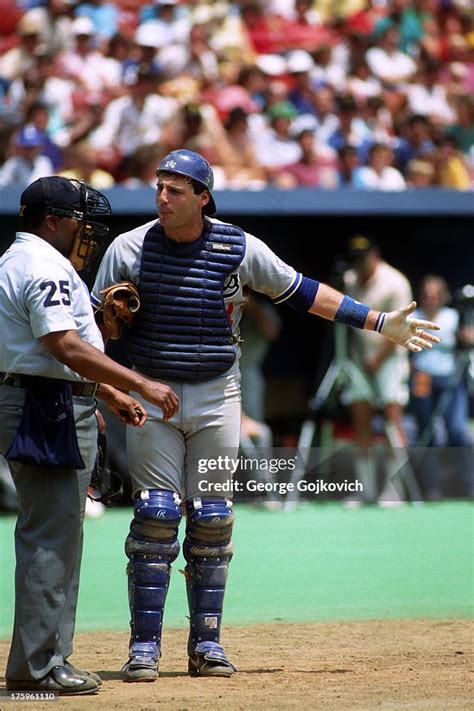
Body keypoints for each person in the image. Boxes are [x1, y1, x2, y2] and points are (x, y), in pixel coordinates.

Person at [91, 149, 439, 683]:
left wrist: (377, 321)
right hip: (152, 393)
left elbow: (300, 291)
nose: (161, 197)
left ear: (203, 197)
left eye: (175, 190)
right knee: (158, 513)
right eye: (159, 187)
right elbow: (93, 328)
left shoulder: (237, 245)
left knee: (210, 515)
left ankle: (207, 644)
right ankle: (143, 648)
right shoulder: (128, 247)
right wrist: (105, 388)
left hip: (217, 393)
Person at [0, 176, 179, 696]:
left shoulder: (25, 259)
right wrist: (139, 382)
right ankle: (35, 669)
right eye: (80, 218)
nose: (87, 230)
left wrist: (102, 394)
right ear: (53, 220)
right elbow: (64, 346)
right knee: (51, 537)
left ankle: (50, 658)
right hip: (44, 405)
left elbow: (56, 355)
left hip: (49, 398)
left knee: (58, 534)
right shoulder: (41, 265)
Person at [342, 235, 414, 505]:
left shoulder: (396, 282)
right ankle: (366, 490)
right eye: (355, 259)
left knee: (392, 423)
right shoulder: (349, 280)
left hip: (391, 359)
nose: (359, 264)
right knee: (360, 423)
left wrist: (377, 359)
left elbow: (401, 325)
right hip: (360, 360)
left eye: (363, 257)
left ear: (375, 254)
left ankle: (394, 490)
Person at [410, 275, 473, 499]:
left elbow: (467, 342)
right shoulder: (413, 317)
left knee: (457, 430)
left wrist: (468, 337)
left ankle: (469, 485)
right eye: (427, 294)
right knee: (427, 434)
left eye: (435, 294)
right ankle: (431, 487)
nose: (431, 298)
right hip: (422, 379)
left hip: (450, 378)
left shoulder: (453, 317)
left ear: (442, 295)